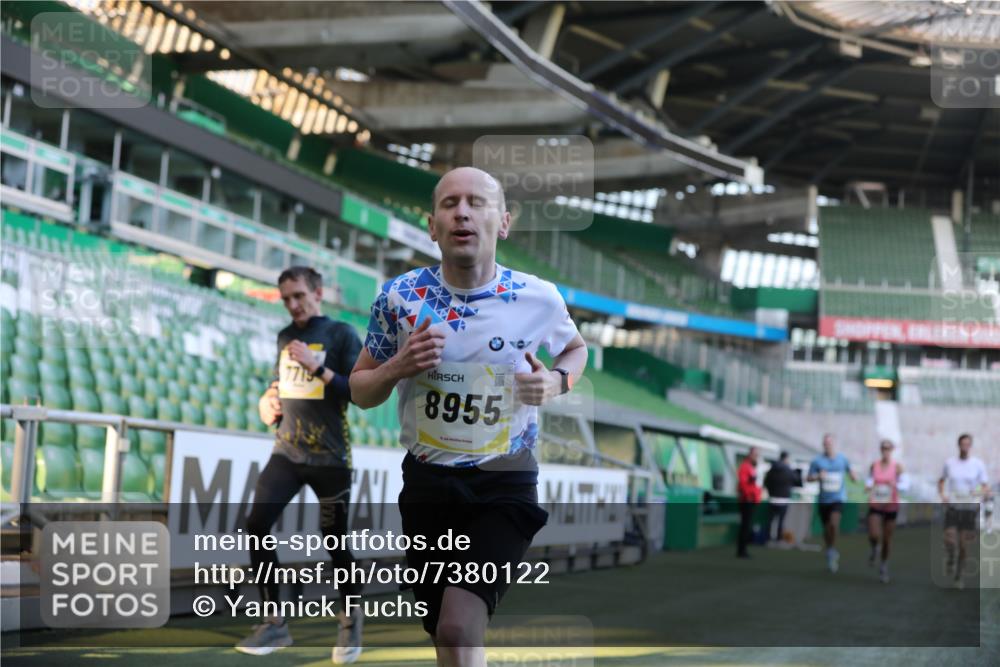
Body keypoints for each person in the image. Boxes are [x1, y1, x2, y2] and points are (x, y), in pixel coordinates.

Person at [350, 166, 587, 667]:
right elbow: (361, 391)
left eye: (477, 202)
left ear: (503, 222)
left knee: (458, 626)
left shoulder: (538, 298)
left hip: (504, 480)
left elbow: (576, 350)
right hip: (427, 482)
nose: (462, 212)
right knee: (445, 631)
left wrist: (555, 382)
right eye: (450, 203)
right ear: (432, 226)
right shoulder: (399, 297)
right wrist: (398, 366)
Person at [236, 266, 365, 663]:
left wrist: (316, 366)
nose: (293, 305)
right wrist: (267, 401)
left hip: (330, 458)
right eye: (286, 299)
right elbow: (278, 383)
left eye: (299, 296)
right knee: (256, 524)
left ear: (318, 293)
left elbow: (357, 391)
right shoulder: (285, 337)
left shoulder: (342, 334)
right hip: (287, 452)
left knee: (334, 539)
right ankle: (274, 623)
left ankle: (350, 620)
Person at [938, 433, 990, 589]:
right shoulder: (950, 463)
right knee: (949, 539)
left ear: (970, 446)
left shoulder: (977, 464)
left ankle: (959, 575)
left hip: (969, 509)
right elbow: (941, 481)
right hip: (953, 507)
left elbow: (985, 486)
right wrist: (943, 495)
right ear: (958, 445)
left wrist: (979, 493)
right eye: (962, 444)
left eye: (968, 444)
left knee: (963, 545)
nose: (965, 447)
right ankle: (951, 558)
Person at [807, 434, 856, 573]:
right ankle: (830, 549)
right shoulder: (817, 461)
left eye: (830, 443)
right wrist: (818, 476)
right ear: (823, 445)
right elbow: (808, 478)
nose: (828, 446)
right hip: (824, 500)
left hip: (838, 499)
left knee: (834, 524)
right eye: (825, 443)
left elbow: (850, 472)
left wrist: (853, 476)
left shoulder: (842, 459)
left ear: (834, 444)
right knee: (826, 528)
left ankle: (832, 549)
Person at [865, 440, 904, 584]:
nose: (885, 451)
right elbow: (869, 480)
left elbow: (905, 484)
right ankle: (875, 547)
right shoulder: (874, 465)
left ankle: (883, 565)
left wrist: (895, 484)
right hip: (876, 503)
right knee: (874, 534)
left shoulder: (897, 467)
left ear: (892, 450)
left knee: (887, 539)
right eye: (883, 448)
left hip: (891, 505)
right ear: (880, 449)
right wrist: (868, 486)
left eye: (888, 448)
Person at [763, 451, 797, 544]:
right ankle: (778, 539)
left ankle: (768, 538)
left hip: (772, 498)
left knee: (770, 520)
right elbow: (796, 480)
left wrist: (771, 492)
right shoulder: (788, 470)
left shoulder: (772, 469)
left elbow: (766, 482)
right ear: (786, 458)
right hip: (783, 499)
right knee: (781, 521)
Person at [737, 447, 762, 558]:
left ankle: (743, 549)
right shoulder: (745, 467)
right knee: (745, 525)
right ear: (750, 455)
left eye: (757, 455)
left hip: (750, 500)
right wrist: (749, 496)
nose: (756, 457)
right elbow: (743, 484)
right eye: (755, 455)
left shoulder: (751, 467)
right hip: (747, 500)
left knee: (746, 525)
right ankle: (741, 551)